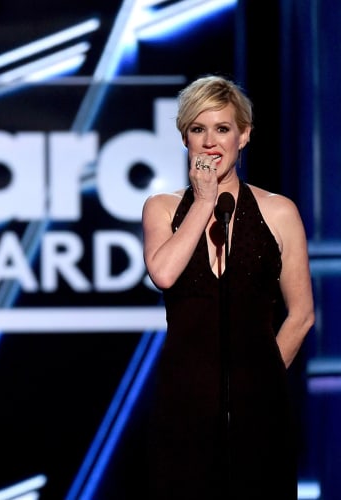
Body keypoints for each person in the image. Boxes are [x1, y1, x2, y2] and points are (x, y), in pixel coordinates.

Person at [141, 75, 315, 499]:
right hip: (185, 406)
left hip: (259, 407)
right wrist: (203, 202)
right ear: (185, 138)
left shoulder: (279, 211)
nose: (210, 142)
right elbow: (163, 273)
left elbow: (302, 313)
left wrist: (263, 377)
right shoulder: (162, 208)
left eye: (222, 129)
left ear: (245, 135)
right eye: (198, 130)